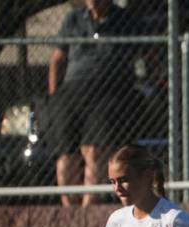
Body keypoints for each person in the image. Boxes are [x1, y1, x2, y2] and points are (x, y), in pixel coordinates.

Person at [48, 0, 139, 206]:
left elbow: (145, 55)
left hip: (107, 92)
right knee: (66, 154)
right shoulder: (73, 19)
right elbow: (57, 59)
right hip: (71, 92)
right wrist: (54, 97)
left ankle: (87, 209)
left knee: (94, 151)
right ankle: (69, 211)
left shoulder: (124, 20)